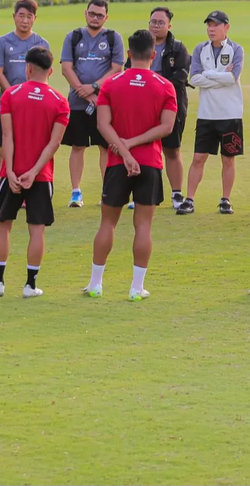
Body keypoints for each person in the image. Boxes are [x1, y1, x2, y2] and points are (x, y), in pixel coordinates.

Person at [83, 30, 177, 300]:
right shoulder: (164, 86)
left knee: (107, 223)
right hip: (149, 163)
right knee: (144, 226)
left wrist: (124, 152)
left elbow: (103, 125)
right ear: (153, 54)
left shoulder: (111, 84)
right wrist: (134, 146)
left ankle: (95, 284)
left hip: (115, 163)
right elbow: (167, 127)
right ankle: (136, 288)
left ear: (127, 54)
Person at [0, 47, 70, 298]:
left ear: (28, 68)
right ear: (51, 71)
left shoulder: (10, 95)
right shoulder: (60, 102)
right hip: (41, 176)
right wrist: (34, 171)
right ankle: (30, 286)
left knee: (4, 225)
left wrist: (10, 171)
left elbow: (8, 136)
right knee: (37, 229)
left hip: (11, 173)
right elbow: (53, 144)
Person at [177, 10, 244, 216]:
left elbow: (233, 77)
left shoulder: (236, 49)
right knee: (198, 158)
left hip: (230, 113)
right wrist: (219, 76)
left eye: (215, 25)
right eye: (209, 25)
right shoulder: (200, 49)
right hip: (207, 114)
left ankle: (225, 199)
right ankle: (189, 199)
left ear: (226, 27)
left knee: (228, 159)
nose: (211, 29)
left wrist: (209, 75)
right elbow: (194, 79)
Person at [60, 0, 124, 207]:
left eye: (100, 15)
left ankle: (107, 191)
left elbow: (116, 68)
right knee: (78, 146)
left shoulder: (114, 38)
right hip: (78, 103)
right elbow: (66, 68)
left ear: (106, 17)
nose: (95, 18)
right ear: (85, 13)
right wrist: (86, 92)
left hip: (104, 103)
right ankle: (76, 192)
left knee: (105, 146)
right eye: (92, 13)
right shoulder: (73, 36)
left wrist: (95, 87)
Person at [124, 6, 190, 211]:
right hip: (141, 106)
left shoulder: (178, 48)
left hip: (170, 105)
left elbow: (181, 77)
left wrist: (153, 86)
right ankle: (140, 193)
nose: (156, 26)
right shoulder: (140, 45)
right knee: (141, 148)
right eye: (153, 21)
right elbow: (129, 71)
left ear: (169, 25)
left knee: (172, 150)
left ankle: (176, 193)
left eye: (161, 22)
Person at [0, 0, 50, 213]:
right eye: (21, 15)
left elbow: (44, 78)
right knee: (5, 151)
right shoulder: (3, 42)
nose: (25, 20)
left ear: (35, 18)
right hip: (8, 107)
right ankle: (0, 197)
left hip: (33, 109)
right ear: (14, 16)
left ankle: (28, 195)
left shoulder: (42, 43)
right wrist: (14, 96)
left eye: (29, 16)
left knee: (31, 150)